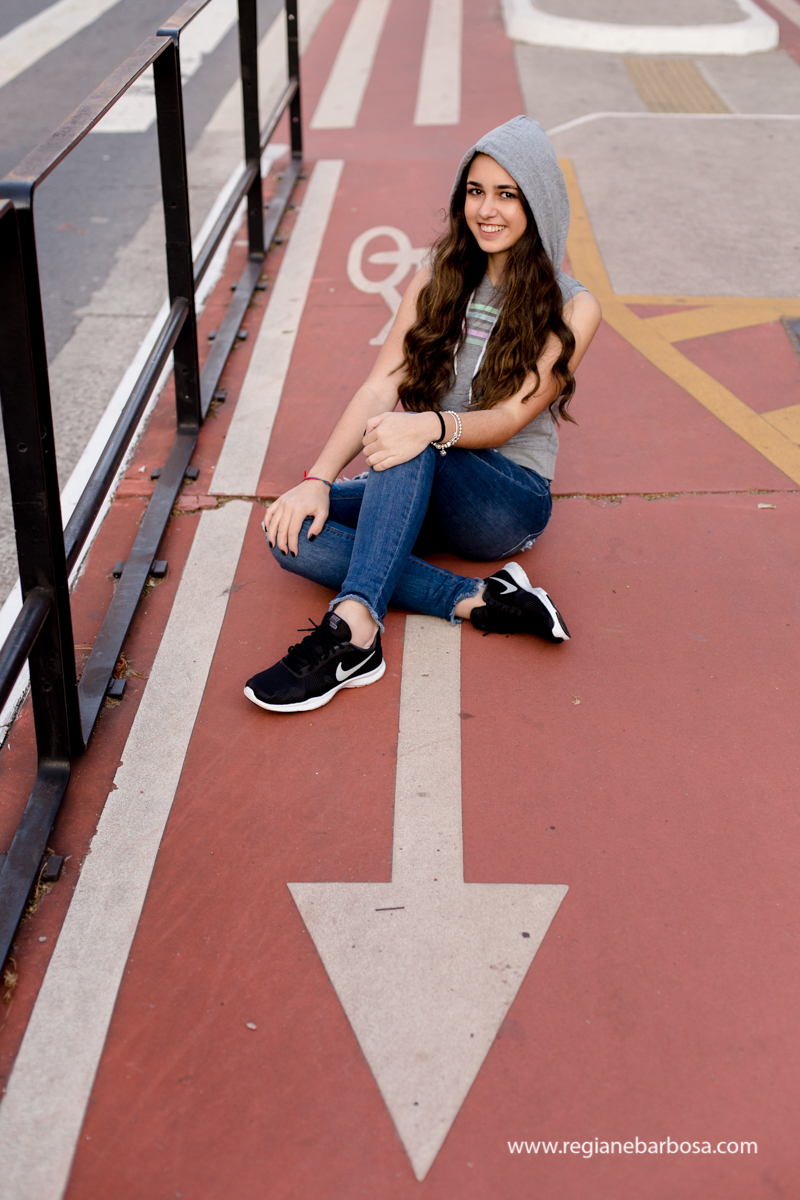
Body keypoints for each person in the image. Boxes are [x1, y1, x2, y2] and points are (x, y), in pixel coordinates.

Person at [245, 116, 601, 714]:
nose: (486, 210)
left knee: (407, 437)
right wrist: (318, 481)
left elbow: (510, 419)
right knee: (289, 533)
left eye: (507, 195)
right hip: (425, 472)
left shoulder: (574, 306)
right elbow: (380, 386)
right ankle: (478, 599)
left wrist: (430, 426)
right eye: (476, 191)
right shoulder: (439, 278)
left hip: (506, 501)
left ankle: (356, 629)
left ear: (537, 204)